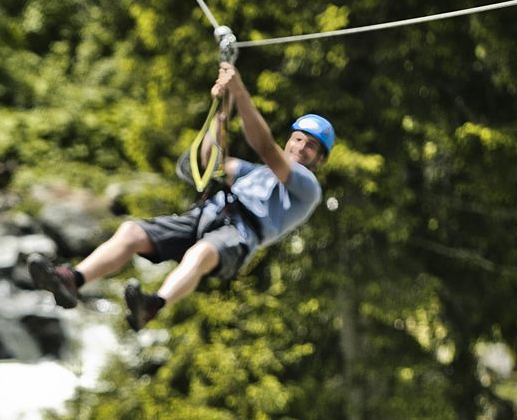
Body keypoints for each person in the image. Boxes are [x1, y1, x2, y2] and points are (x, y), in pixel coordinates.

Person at [27, 62, 334, 331]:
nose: (300, 148)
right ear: (290, 139)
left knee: (200, 253)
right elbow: (209, 161)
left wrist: (239, 91)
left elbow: (266, 147)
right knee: (131, 232)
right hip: (206, 216)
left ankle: (154, 305)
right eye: (297, 139)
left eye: (310, 147)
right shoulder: (254, 172)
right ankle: (73, 280)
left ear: (319, 160)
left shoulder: (306, 187)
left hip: (238, 235)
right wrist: (222, 112)